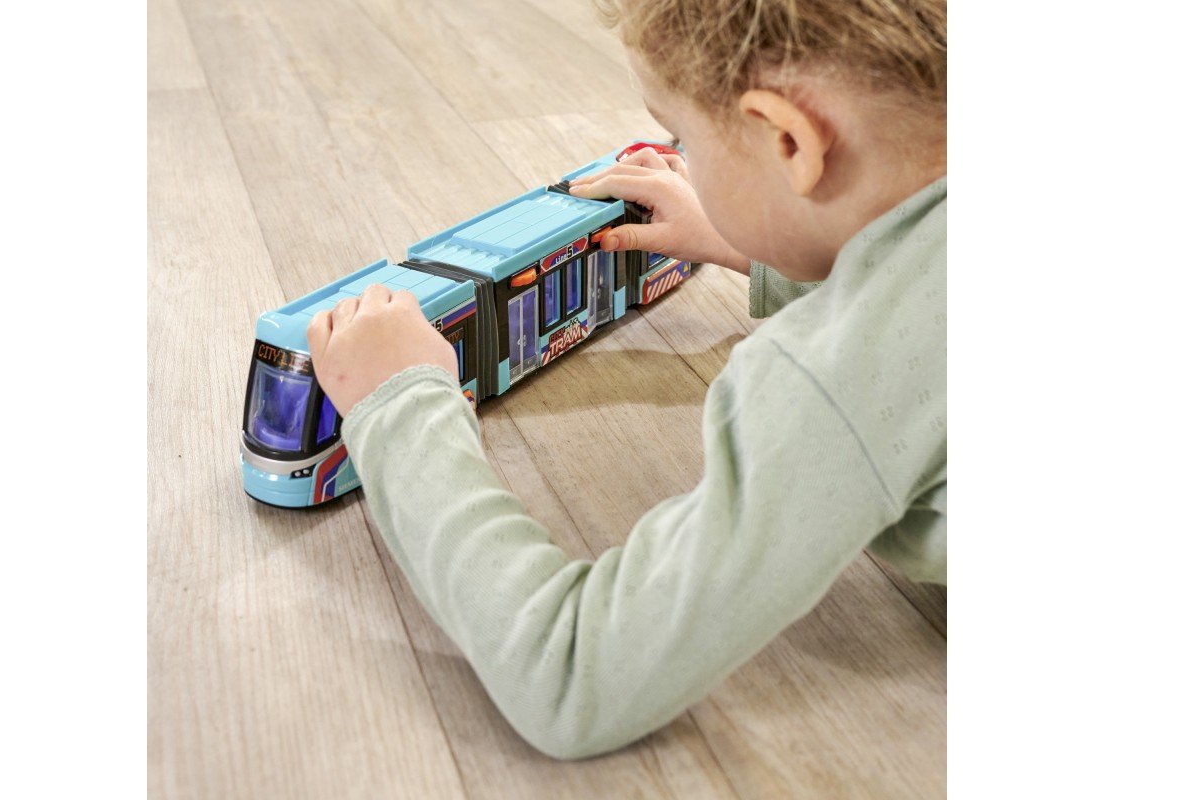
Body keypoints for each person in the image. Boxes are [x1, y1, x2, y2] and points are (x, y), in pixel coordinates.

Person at [304, 0, 946, 760]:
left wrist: (401, 402)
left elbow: (573, 675)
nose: (682, 157)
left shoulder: (830, 379)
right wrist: (762, 240)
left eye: (685, 138)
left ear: (788, 140)